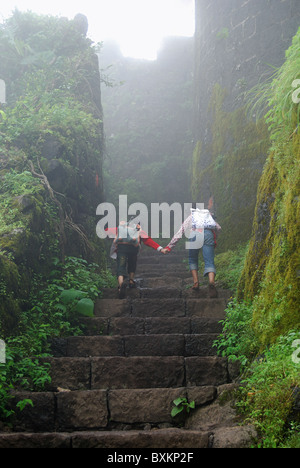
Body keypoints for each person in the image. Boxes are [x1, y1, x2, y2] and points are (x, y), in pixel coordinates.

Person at [164, 199, 221, 298]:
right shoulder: (207, 215)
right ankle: (211, 282)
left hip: (195, 234)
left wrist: (169, 246)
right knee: (209, 261)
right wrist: (214, 237)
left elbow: (180, 232)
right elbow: (218, 228)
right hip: (208, 234)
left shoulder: (191, 217)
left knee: (192, 259)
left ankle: (196, 283)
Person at [106, 222, 168, 298]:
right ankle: (131, 281)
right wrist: (161, 249)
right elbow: (148, 241)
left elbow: (107, 230)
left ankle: (121, 285)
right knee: (132, 263)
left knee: (121, 266)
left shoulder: (122, 228)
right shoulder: (139, 230)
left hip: (122, 249)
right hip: (133, 249)